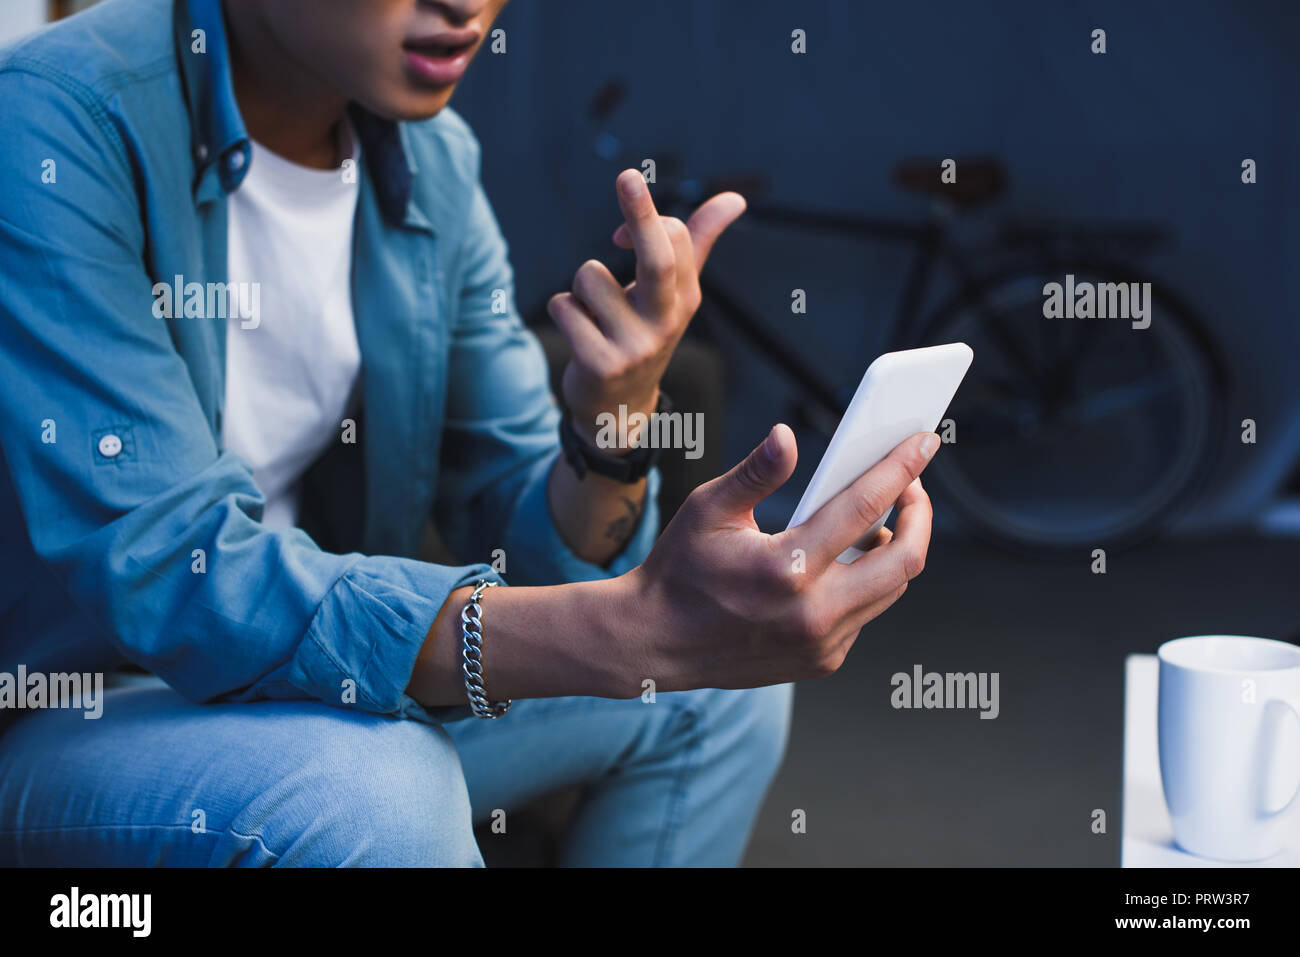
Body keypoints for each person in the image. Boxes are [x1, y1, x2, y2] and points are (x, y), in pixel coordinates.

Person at [0, 0, 937, 867]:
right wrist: (630, 630)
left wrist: (608, 424)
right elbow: (175, 571)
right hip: (74, 706)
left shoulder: (430, 158)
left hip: (283, 681)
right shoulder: (56, 120)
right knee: (377, 790)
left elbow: (532, 531)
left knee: (716, 694)